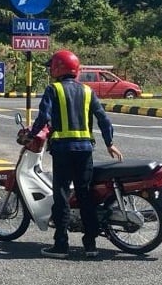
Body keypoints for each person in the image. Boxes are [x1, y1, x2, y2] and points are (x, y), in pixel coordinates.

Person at [25, 49, 123, 259]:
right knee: (85, 196)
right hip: (85, 151)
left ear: (58, 68)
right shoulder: (88, 91)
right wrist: (110, 143)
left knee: (61, 196)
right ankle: (90, 245)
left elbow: (43, 117)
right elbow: (103, 119)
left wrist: (32, 135)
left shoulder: (54, 90)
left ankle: (61, 245)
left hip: (62, 151)